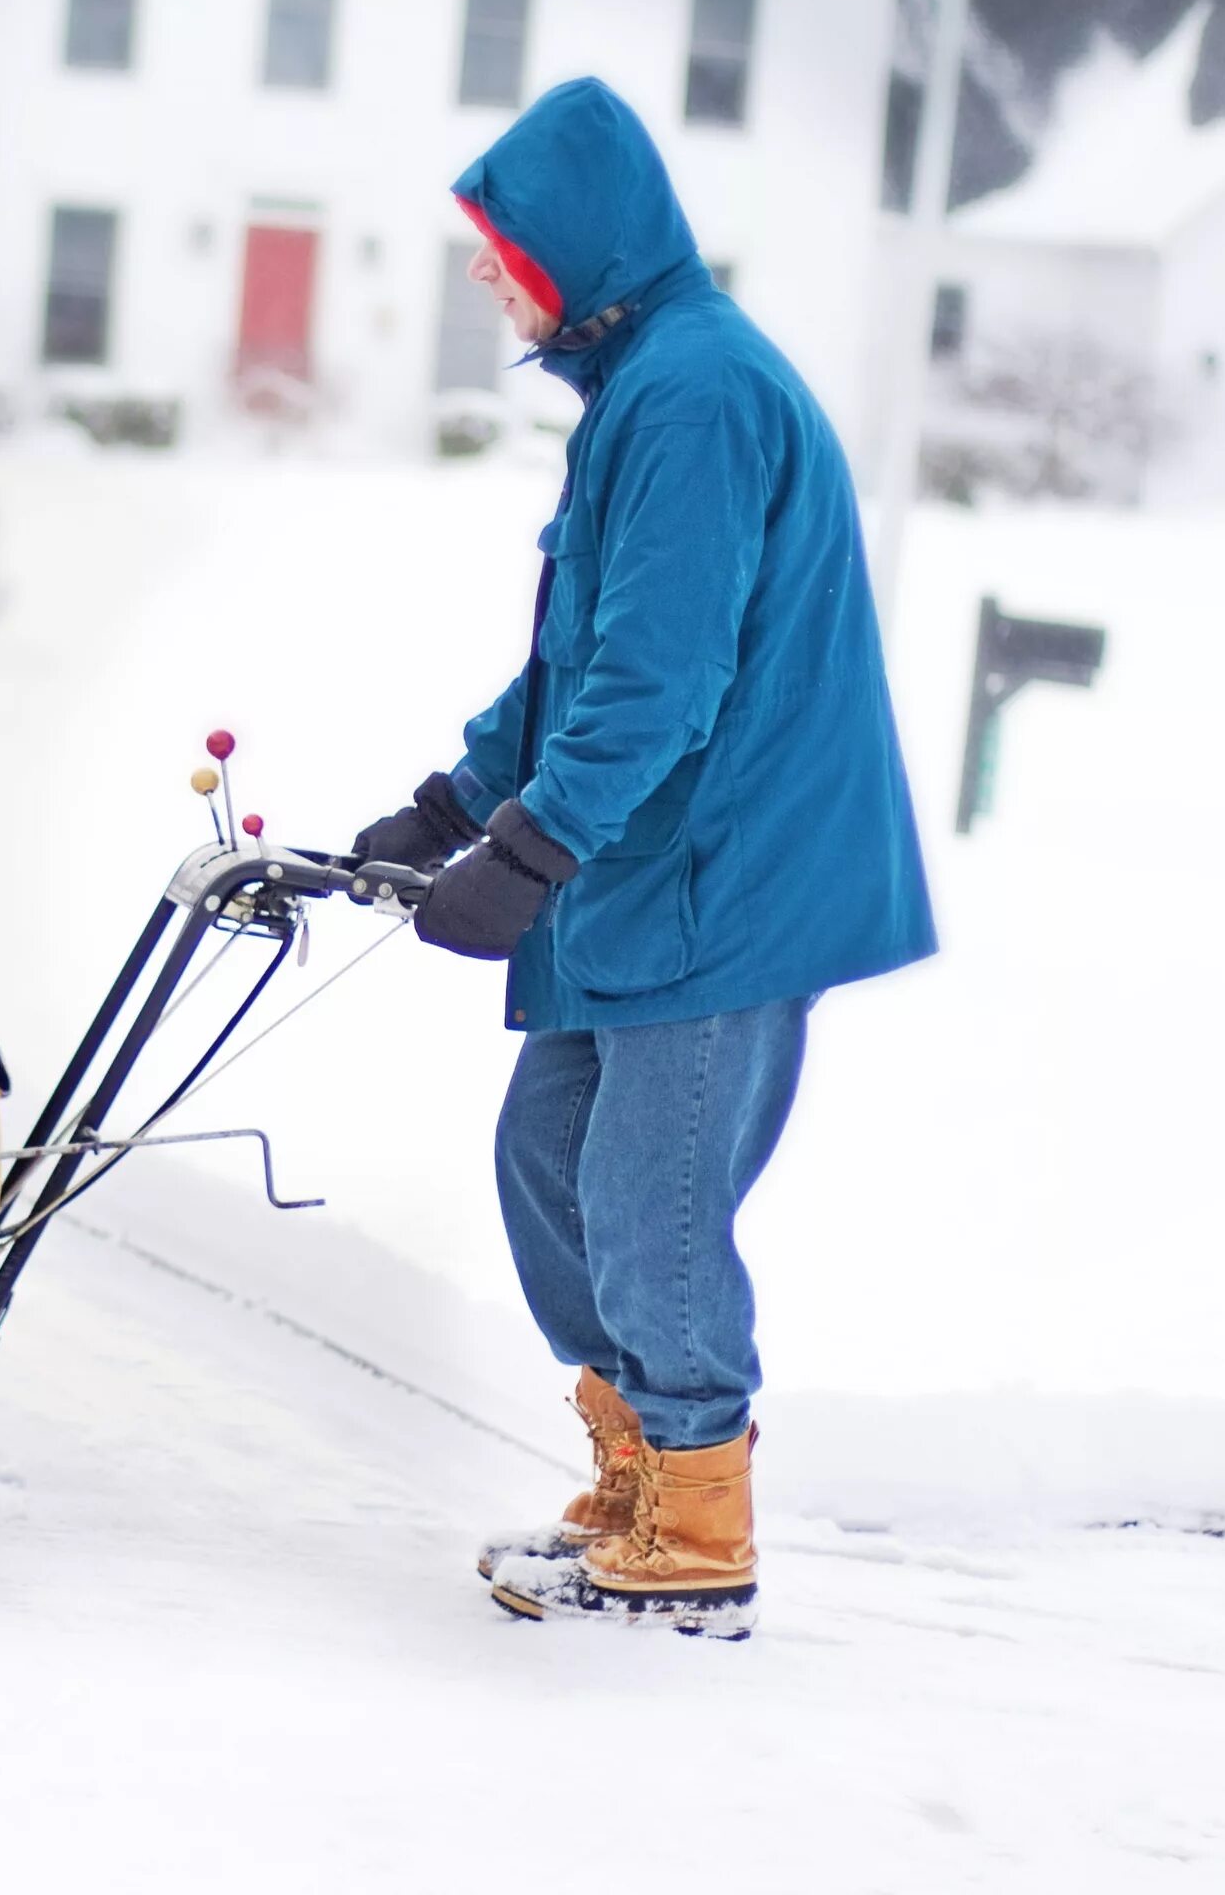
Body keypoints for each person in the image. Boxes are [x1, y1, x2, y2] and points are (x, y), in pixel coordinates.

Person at [351, 79, 935, 1639]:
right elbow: (588, 654)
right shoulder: (645, 384)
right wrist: (456, 797)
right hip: (659, 853)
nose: (485, 273)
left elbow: (656, 682)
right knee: (551, 1161)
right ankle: (636, 1475)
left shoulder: (693, 397)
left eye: (501, 245)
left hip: (728, 871)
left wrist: (529, 850)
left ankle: (695, 1537)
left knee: (650, 1194)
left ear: (581, 248)